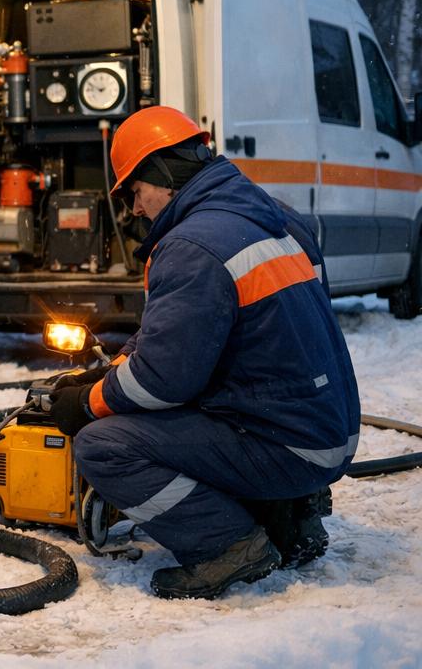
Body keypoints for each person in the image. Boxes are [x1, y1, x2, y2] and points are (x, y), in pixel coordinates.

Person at [48, 106, 360, 599]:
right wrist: (109, 372)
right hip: (326, 431)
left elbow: (161, 380)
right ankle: (292, 514)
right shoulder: (276, 217)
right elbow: (196, 336)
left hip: (283, 441)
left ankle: (227, 547)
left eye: (134, 191)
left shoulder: (192, 245)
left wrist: (87, 404)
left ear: (163, 173)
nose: (134, 208)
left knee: (105, 446)